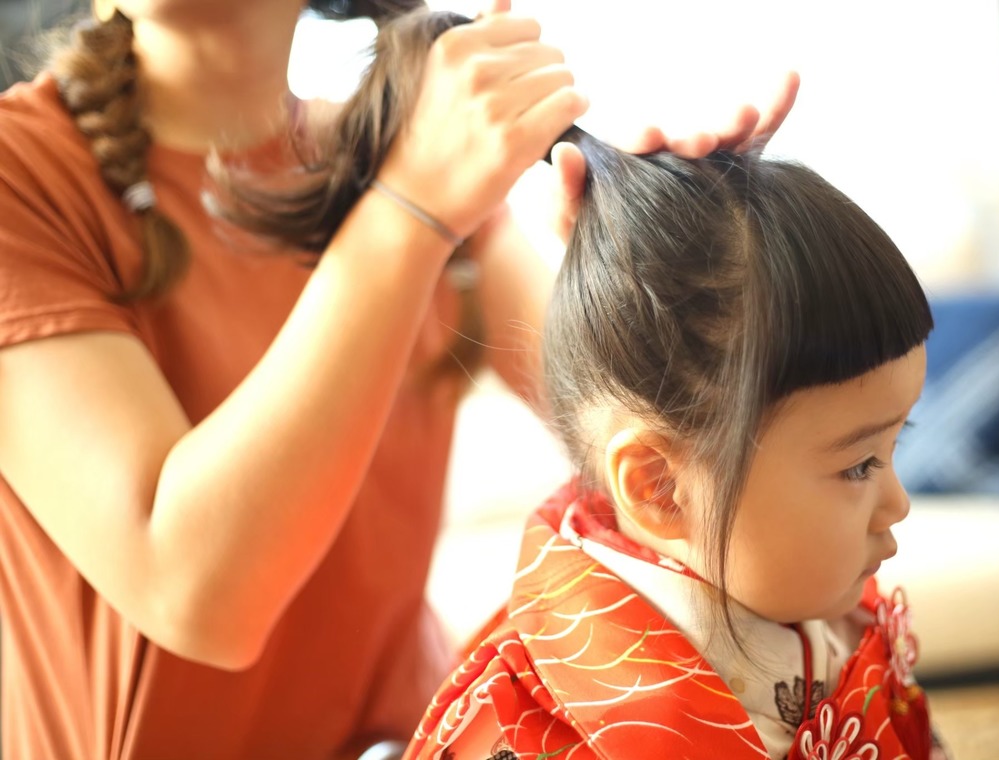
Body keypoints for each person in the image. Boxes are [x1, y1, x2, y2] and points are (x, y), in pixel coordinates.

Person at [0, 0, 797, 758]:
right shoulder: (22, 176)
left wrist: (688, 244)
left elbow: (663, 446)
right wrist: (409, 206)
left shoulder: (403, 148)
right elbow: (193, 594)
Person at [226, 11, 950, 759]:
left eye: (895, 445)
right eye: (860, 463)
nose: (896, 500)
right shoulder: (537, 734)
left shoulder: (822, 615)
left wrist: (702, 273)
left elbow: (633, 385)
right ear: (659, 489)